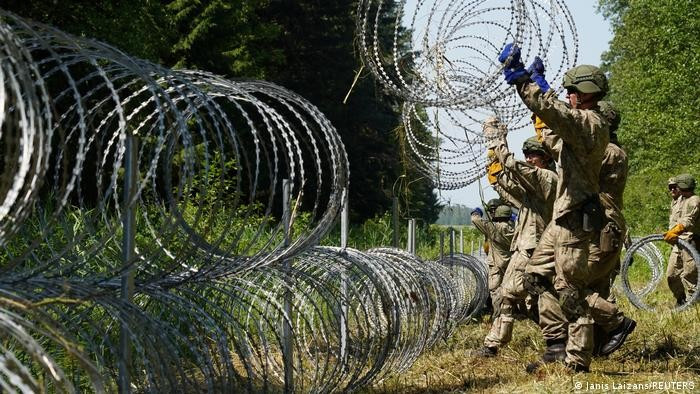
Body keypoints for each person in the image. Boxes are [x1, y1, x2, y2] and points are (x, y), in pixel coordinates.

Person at [499, 44, 610, 372]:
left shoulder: (590, 123)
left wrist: (525, 83)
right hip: (563, 216)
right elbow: (552, 130)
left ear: (583, 93)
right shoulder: (582, 126)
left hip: (575, 218)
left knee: (569, 287)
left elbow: (556, 114)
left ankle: (576, 361)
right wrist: (541, 88)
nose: (568, 95)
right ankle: (557, 343)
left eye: (570, 91)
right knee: (534, 275)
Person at [474, 121, 558, 358]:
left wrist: (498, 142)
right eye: (528, 155)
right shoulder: (536, 185)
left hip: (535, 249)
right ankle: (559, 339)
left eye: (535, 156)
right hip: (528, 247)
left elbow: (516, 169)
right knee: (530, 299)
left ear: (547, 158)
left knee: (511, 293)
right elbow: (512, 187)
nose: (530, 159)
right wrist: (495, 171)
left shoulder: (547, 179)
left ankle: (495, 343)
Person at [471, 203, 515, 318]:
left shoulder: (493, 227)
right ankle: (512, 312)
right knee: (510, 290)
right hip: (511, 264)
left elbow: (475, 220)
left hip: (496, 264)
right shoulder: (515, 228)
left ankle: (498, 315)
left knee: (495, 290)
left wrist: (477, 212)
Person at [664, 174, 700, 305]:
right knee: (671, 275)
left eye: (676, 186)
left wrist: (675, 230)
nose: (674, 189)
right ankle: (681, 301)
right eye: (671, 187)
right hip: (677, 243)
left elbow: (688, 220)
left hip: (691, 243)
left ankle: (694, 303)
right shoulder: (678, 200)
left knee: (690, 275)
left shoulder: (694, 200)